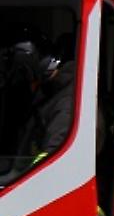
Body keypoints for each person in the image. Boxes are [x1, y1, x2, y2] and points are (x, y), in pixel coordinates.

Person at [0, 32, 75, 187]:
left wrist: (16, 178)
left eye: (24, 72)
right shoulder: (49, 94)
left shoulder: (66, 103)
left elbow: (53, 159)